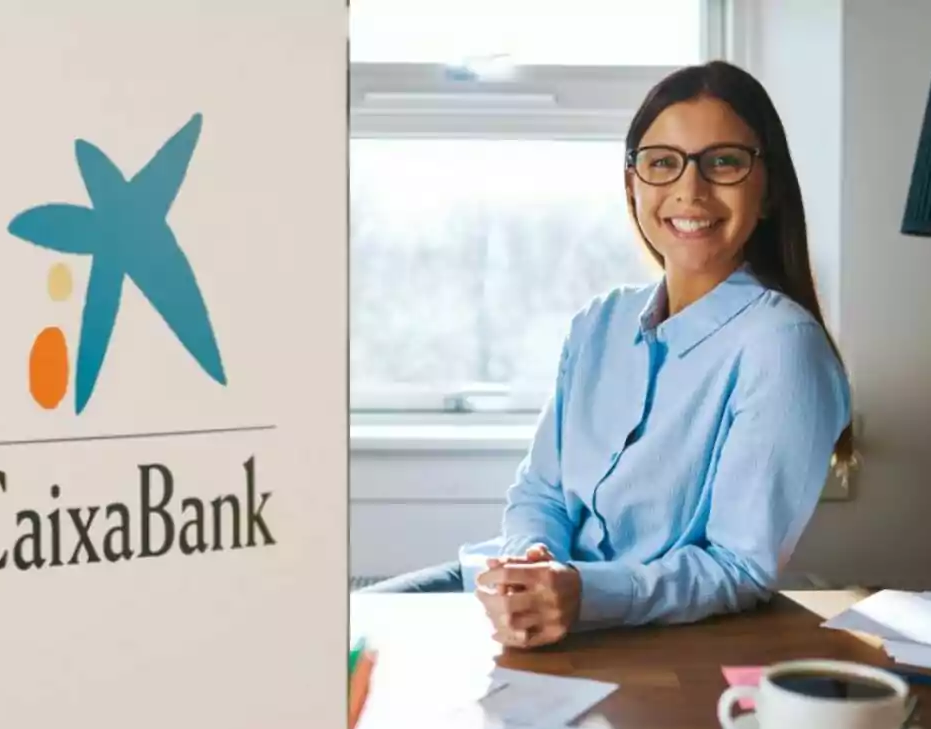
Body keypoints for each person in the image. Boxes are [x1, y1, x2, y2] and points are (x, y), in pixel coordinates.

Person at [359, 60, 855, 652]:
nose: (689, 190)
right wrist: (533, 563)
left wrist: (580, 592)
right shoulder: (598, 324)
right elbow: (540, 493)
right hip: (499, 590)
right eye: (662, 162)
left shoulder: (782, 348)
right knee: (323, 642)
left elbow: (738, 567)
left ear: (768, 189)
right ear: (633, 186)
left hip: (634, 635)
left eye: (723, 162)